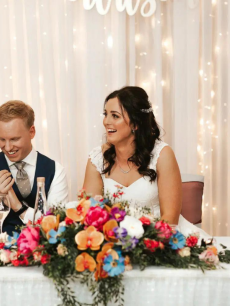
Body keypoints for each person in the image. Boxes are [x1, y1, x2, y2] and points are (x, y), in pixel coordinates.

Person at [83, 86, 209, 237]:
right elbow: (90, 216)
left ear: (135, 124)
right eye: (106, 114)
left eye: (115, 116)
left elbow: (170, 220)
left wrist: (145, 249)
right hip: (114, 243)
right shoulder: (97, 158)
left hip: (161, 240)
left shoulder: (162, 154)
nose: (106, 121)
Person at [0, 100, 69, 237]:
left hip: (40, 254)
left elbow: (56, 229)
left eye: (14, 139)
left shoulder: (56, 171)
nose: (8, 147)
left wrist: (18, 207)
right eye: (2, 139)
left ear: (32, 132)